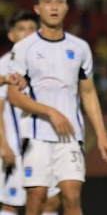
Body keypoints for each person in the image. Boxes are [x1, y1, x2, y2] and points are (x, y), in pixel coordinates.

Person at [7, 0, 107, 215]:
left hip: (70, 136)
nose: (54, 6)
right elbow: (14, 97)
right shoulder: (24, 48)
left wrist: (102, 135)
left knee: (71, 196)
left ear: (67, 7)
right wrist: (50, 112)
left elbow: (88, 92)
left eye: (59, 1)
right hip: (35, 136)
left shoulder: (80, 48)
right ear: (37, 8)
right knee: (36, 199)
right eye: (48, 1)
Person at [0, 11, 62, 215]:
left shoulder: (48, 63)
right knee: (12, 202)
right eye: (21, 29)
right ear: (11, 36)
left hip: (44, 144)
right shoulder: (5, 65)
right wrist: (3, 145)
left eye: (31, 29)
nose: (27, 33)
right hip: (16, 146)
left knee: (51, 202)